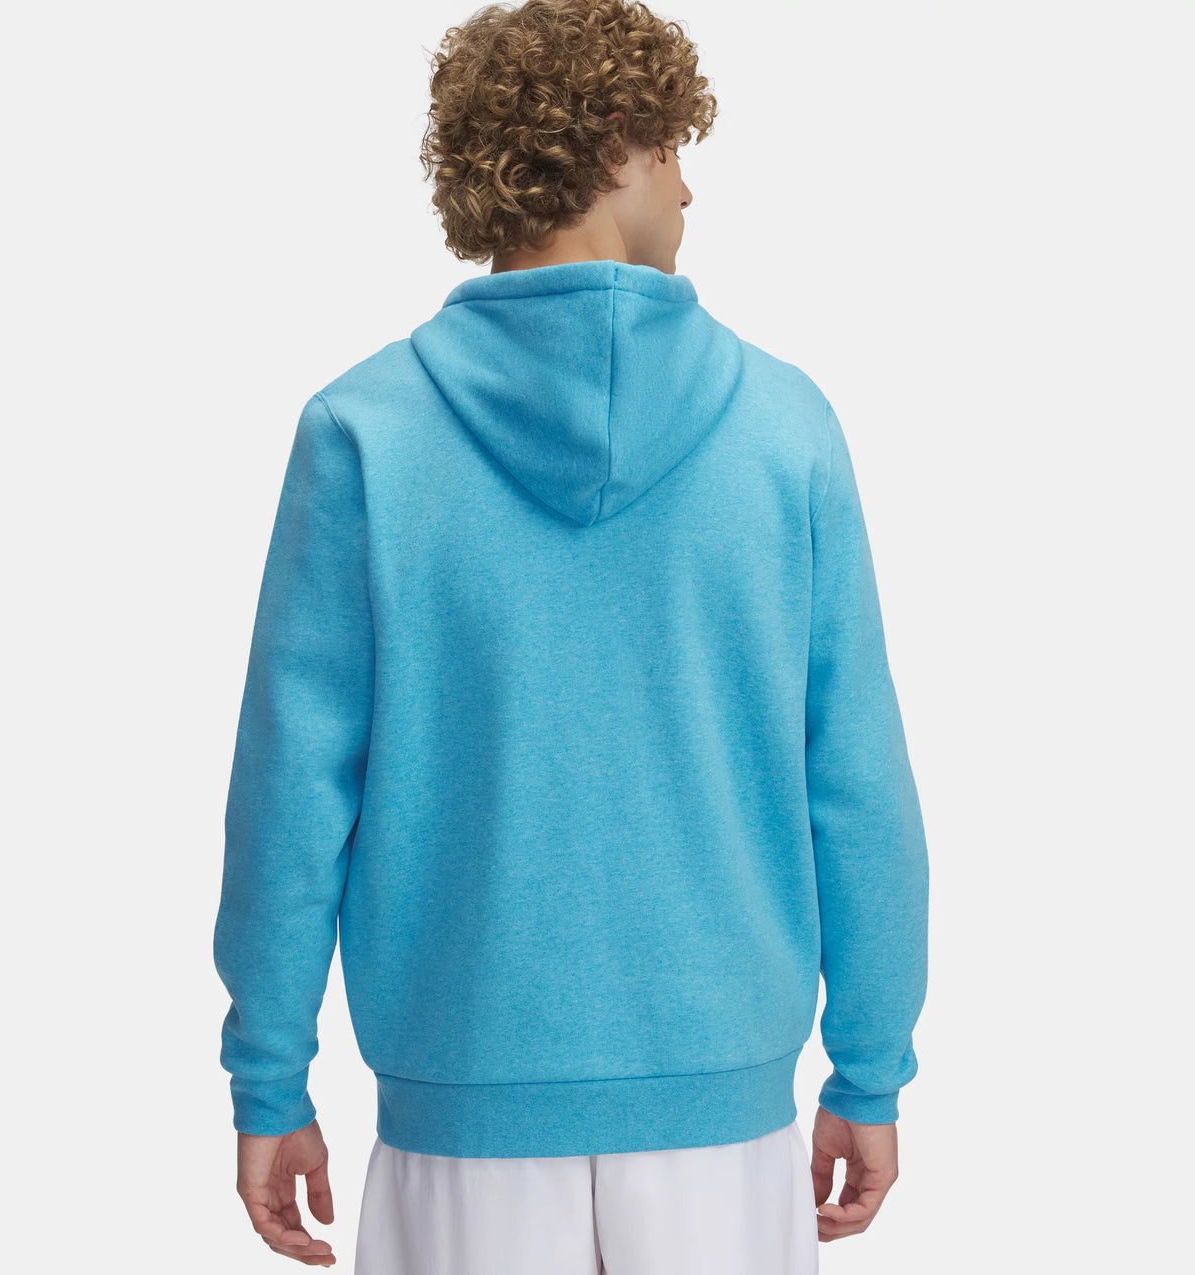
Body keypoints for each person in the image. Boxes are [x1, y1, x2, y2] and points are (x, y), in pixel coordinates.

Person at [211, 1, 930, 1270]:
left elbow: (294, 792)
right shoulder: (785, 428)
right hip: (723, 1122)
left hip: (461, 1115)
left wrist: (271, 1079)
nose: (690, 187)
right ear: (610, 150)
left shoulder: (363, 433)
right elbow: (856, 784)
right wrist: (868, 1068)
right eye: (673, 147)